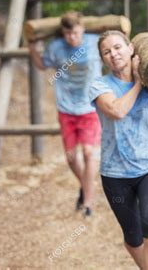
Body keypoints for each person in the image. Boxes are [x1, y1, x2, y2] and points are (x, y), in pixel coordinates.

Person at [89, 30, 148, 269]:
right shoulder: (100, 85)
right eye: (107, 51)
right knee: (133, 235)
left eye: (117, 47)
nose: (113, 54)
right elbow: (116, 111)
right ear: (103, 59)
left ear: (130, 49)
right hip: (115, 173)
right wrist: (138, 83)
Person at [28, 11, 102, 217]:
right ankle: (87, 186)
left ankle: (88, 203)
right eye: (68, 34)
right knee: (71, 158)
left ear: (83, 29)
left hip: (89, 107)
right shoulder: (56, 48)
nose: (72, 38)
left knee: (88, 152)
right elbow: (42, 64)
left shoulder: (96, 43)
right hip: (66, 108)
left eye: (76, 33)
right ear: (63, 33)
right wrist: (31, 47)